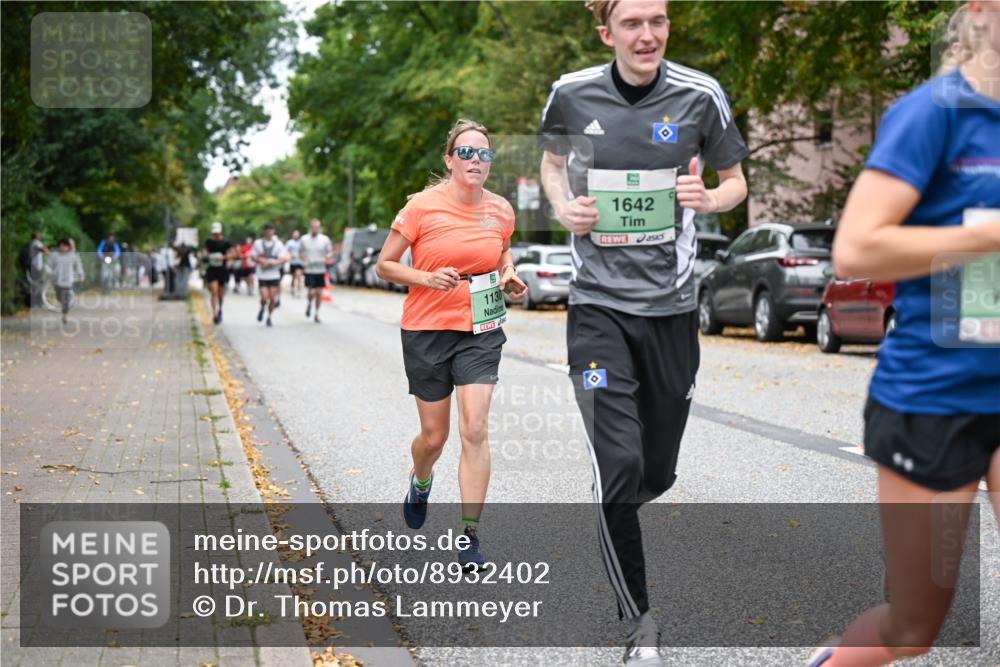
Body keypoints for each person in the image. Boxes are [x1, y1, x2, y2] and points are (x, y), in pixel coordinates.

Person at [537, 1, 750, 663]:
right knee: (619, 465)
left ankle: (620, 494)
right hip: (597, 309)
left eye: (658, 20)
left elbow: (736, 180)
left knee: (655, 468)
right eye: (633, 22)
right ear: (607, 33)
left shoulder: (700, 95)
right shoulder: (571, 94)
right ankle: (640, 626)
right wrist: (561, 205)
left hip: (672, 314)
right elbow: (549, 163)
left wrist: (709, 200)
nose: (648, 33)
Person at [808, 3, 1000, 666]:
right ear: (978, 11)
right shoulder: (933, 113)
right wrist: (985, 236)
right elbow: (856, 249)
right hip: (936, 394)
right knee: (913, 628)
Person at [376, 118, 526, 569]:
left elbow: (501, 251)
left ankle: (469, 537)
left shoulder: (501, 209)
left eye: (484, 153)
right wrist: (425, 277)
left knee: (475, 428)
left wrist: (509, 274)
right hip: (427, 328)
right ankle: (421, 481)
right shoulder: (422, 207)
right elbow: (385, 265)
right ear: (449, 159)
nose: (476, 160)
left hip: (481, 326)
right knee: (434, 436)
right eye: (466, 152)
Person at [252, 223, 289, 327]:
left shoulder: (278, 244)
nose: (269, 232)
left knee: (272, 298)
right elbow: (253, 256)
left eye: (271, 230)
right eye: (267, 230)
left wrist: (271, 263)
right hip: (262, 275)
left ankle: (269, 317)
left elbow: (283, 258)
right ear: (264, 231)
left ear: (273, 231)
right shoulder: (258, 243)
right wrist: (261, 260)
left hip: (274, 275)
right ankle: (262, 307)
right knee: (264, 297)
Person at [299, 219, 334, 323]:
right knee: (312, 292)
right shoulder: (304, 239)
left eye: (317, 227)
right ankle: (310, 303)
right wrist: (304, 260)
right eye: (313, 227)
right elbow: (301, 252)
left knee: (319, 293)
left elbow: (330, 252)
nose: (315, 229)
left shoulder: (324, 239)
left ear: (319, 228)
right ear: (310, 227)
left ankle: (317, 313)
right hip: (309, 270)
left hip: (320, 269)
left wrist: (326, 257)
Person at [202, 221, 235, 324]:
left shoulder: (226, 243)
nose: (215, 235)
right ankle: (214, 314)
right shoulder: (208, 242)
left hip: (222, 270)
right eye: (214, 233)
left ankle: (220, 308)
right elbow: (205, 252)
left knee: (220, 293)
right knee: (214, 292)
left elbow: (233, 254)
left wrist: (223, 257)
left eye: (217, 233)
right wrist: (206, 255)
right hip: (212, 269)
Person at [45, 238, 85, 325]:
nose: (62, 248)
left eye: (64, 246)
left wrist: (81, 275)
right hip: (56, 280)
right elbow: (48, 266)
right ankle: (63, 305)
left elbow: (79, 266)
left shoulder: (74, 256)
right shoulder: (54, 255)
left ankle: (65, 315)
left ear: (68, 247)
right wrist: (50, 273)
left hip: (68, 281)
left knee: (65, 298)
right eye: (60, 246)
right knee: (59, 297)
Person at [286, 229, 304, 299]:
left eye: (297, 234)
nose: (296, 235)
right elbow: (286, 250)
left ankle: (298, 291)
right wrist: (290, 255)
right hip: (293, 262)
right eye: (294, 234)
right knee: (294, 277)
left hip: (299, 262)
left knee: (299, 276)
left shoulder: (301, 243)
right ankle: (293, 288)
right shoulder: (289, 242)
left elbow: (304, 251)